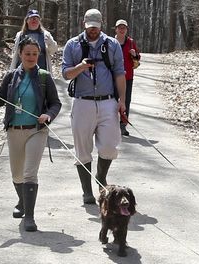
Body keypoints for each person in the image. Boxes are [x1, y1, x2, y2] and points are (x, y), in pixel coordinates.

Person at [0, 36, 62, 231]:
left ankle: (29, 217)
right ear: (20, 54)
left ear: (39, 54)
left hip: (36, 131)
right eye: (27, 53)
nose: (31, 57)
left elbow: (56, 103)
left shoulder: (44, 77)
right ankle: (22, 201)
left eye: (34, 53)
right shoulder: (11, 76)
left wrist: (48, 115)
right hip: (14, 130)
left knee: (30, 173)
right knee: (17, 174)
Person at [61, 8, 127, 205]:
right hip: (82, 102)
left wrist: (122, 100)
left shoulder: (112, 44)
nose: (93, 31)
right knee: (82, 148)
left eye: (96, 28)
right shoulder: (72, 45)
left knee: (109, 145)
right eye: (90, 27)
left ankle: (101, 177)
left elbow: (119, 73)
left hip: (108, 101)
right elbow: (65, 73)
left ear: (101, 25)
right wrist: (81, 66)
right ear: (84, 24)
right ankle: (87, 191)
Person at [113, 19, 141, 136]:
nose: (122, 30)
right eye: (120, 27)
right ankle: (111, 124)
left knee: (126, 101)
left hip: (127, 76)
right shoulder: (110, 42)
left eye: (124, 28)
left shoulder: (130, 42)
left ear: (126, 29)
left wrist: (135, 54)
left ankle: (123, 124)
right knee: (113, 100)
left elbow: (138, 58)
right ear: (116, 29)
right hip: (113, 76)